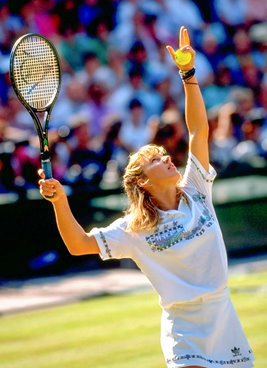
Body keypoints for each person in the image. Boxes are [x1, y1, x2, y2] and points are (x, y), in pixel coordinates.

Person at [38, 26, 255, 368]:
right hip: (183, 330)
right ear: (142, 184)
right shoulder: (134, 228)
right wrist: (60, 202)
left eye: (163, 154)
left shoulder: (196, 188)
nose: (167, 158)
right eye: (154, 159)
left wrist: (188, 74)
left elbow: (199, 129)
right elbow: (79, 244)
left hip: (223, 318)